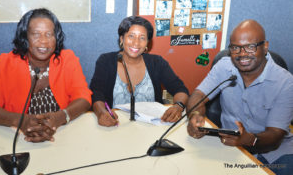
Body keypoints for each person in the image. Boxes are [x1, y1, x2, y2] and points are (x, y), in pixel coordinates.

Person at [186, 20, 293, 175]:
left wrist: (249, 140)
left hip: (275, 153)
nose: (242, 54)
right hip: (229, 146)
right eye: (235, 48)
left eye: (250, 46)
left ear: (265, 46)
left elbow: (275, 135)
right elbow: (198, 95)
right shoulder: (224, 67)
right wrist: (195, 116)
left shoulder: (286, 82)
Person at [0, 8, 92, 143]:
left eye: (49, 34)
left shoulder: (67, 59)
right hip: (17, 139)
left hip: (61, 137)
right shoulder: (5, 63)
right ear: (25, 37)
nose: (44, 41)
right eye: (36, 34)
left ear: (56, 37)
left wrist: (60, 117)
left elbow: (84, 98)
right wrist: (20, 121)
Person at [90, 16, 188, 127]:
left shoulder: (157, 62)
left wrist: (178, 106)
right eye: (131, 36)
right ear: (122, 39)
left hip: (151, 126)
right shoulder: (106, 61)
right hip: (116, 125)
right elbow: (96, 94)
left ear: (147, 43)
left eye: (142, 38)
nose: (136, 43)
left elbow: (180, 89)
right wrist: (101, 113)